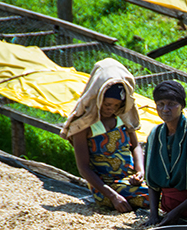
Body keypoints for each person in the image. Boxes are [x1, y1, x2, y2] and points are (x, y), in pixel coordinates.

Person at [62, 58, 147, 212]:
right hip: (105, 186)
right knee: (153, 197)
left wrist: (140, 171)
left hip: (130, 179)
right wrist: (113, 197)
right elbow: (83, 168)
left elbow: (135, 145)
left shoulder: (122, 117)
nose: (111, 109)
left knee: (164, 188)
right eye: (107, 105)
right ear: (98, 99)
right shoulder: (84, 125)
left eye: (116, 105)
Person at [144, 81, 187, 226]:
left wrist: (176, 213)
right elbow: (152, 182)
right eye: (160, 104)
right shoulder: (154, 135)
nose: (165, 109)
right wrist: (153, 215)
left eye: (171, 104)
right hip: (167, 208)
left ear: (182, 106)